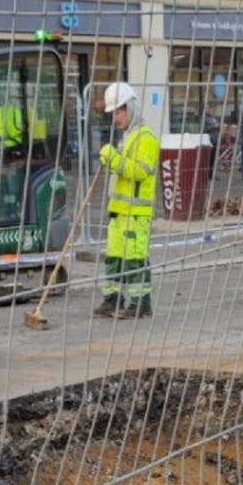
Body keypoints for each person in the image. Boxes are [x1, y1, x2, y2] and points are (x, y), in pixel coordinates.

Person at [96, 82, 159, 319]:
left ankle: (141, 304)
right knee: (114, 257)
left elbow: (140, 172)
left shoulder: (146, 139)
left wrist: (113, 159)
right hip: (119, 211)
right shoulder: (127, 138)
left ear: (130, 108)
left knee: (135, 258)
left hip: (135, 213)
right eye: (113, 113)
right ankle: (112, 299)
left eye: (119, 112)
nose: (116, 118)